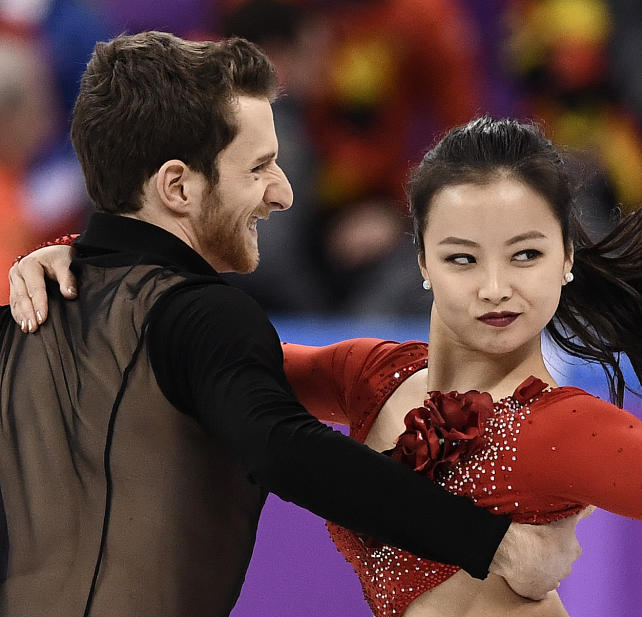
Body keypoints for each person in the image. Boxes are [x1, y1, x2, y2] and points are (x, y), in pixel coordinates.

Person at [12, 117, 642, 616]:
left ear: (565, 261)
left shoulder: (562, 428)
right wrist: (81, 268)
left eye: (525, 255)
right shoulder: (370, 376)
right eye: (464, 258)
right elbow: (185, 341)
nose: (496, 287)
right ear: (424, 260)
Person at [0, 34, 584, 617]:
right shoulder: (201, 313)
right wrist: (493, 542)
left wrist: (81, 249)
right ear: (177, 187)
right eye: (259, 168)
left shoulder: (25, 319)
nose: (282, 193)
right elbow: (287, 450)